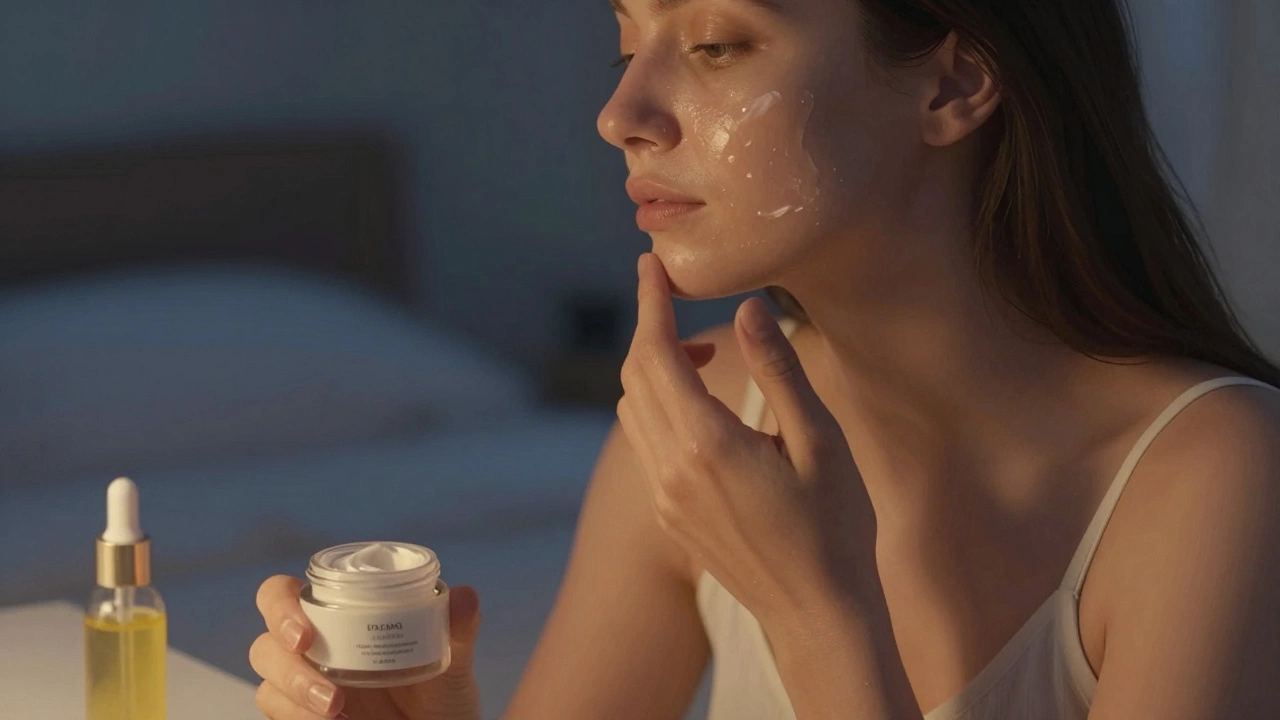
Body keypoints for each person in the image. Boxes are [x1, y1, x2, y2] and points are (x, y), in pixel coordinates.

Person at [249, 0, 1280, 718]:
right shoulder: (704, 421)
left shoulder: (1211, 478)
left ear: (952, 83)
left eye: (713, 46)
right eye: (625, 46)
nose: (620, 116)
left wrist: (813, 611)